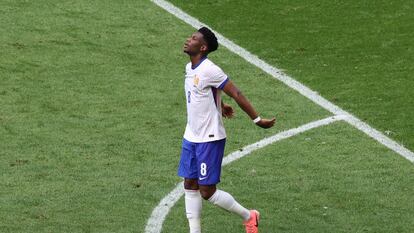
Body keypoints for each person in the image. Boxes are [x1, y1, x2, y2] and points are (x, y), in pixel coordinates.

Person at [178, 26, 276, 233]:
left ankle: (250, 216)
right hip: (191, 135)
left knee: (206, 191)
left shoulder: (210, 69)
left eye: (193, 38)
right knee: (189, 183)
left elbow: (236, 93)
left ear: (203, 47)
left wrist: (257, 120)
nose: (188, 40)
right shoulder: (190, 68)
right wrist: (220, 106)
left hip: (209, 138)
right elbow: (201, 94)